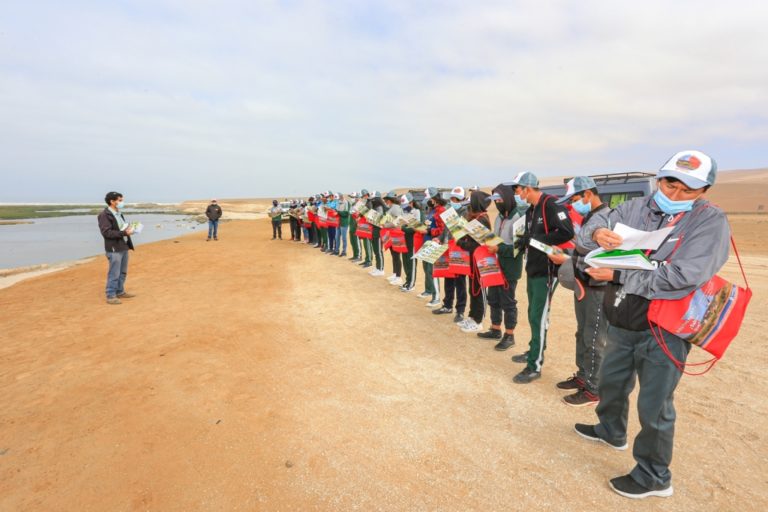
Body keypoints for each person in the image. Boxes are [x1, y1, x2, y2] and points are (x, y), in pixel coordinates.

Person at [573, 151, 729, 499]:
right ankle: (611, 429)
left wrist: (618, 273)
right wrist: (598, 233)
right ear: (660, 179)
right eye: (669, 183)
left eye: (687, 189)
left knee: (655, 405)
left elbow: (684, 276)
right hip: (624, 316)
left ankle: (654, 476)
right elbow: (585, 237)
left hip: (665, 328)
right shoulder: (633, 208)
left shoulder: (711, 222)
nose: (674, 194)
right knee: (612, 382)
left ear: (704, 190)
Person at [510, 172, 575, 384]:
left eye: (518, 190)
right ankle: (533, 351)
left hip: (548, 270)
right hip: (534, 267)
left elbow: (567, 232)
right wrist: (524, 242)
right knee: (533, 313)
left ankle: (534, 366)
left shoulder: (551, 204)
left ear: (527, 188)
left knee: (538, 315)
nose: (517, 194)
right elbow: (530, 237)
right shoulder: (531, 210)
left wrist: (536, 238)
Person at [549, 176, 609, 407]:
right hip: (582, 282)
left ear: (588, 194)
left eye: (574, 198)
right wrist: (569, 258)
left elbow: (603, 256)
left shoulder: (605, 219)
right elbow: (585, 252)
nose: (572, 204)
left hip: (597, 287)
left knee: (594, 336)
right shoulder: (590, 217)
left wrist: (570, 258)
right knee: (583, 332)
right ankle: (583, 376)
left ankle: (594, 388)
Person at [480, 184, 526, 348]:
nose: (497, 203)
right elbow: (497, 237)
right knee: (494, 298)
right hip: (495, 265)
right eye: (495, 200)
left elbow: (520, 247)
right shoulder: (499, 217)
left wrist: (499, 248)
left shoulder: (519, 217)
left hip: (510, 267)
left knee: (508, 301)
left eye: (499, 199)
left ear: (507, 198)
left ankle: (509, 335)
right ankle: (495, 329)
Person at [457, 190, 492, 333]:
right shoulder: (475, 217)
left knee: (478, 289)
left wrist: (462, 244)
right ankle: (472, 316)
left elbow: (480, 244)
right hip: (472, 259)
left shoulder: (482, 219)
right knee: (473, 289)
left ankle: (478, 321)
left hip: (479, 258)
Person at [432, 186, 468, 324]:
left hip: (459, 250)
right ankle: (447, 305)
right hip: (448, 248)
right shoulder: (449, 212)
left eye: (457, 199)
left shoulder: (466, 213)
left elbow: (464, 232)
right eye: (452, 198)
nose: (454, 201)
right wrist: (440, 239)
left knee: (460, 281)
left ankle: (460, 310)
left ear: (463, 199)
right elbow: (446, 230)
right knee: (448, 278)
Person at [97, 191, 135, 305]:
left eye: (121, 200)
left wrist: (130, 230)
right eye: (120, 200)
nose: (121, 202)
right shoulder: (104, 215)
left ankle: (120, 291)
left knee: (122, 272)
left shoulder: (119, 213)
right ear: (112, 201)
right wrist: (124, 233)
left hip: (123, 246)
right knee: (114, 272)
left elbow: (121, 229)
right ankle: (111, 295)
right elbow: (106, 233)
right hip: (114, 249)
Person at [419, 188, 442, 307]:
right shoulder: (432, 211)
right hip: (426, 242)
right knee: (426, 268)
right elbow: (428, 223)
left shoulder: (441, 211)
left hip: (434, 242)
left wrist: (429, 230)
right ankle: (429, 290)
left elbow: (442, 230)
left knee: (432, 270)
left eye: (430, 199)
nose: (428, 201)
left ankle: (436, 297)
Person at [399, 193, 423, 292]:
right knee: (405, 261)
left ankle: (411, 284)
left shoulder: (417, 212)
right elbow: (401, 224)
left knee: (411, 261)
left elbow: (415, 227)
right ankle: (407, 280)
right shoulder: (403, 212)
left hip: (413, 239)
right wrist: (405, 227)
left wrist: (405, 228)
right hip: (404, 239)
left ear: (411, 202)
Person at [383, 190, 404, 286]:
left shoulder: (395, 208)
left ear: (390, 200)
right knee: (394, 255)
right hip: (392, 234)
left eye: (387, 199)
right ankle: (395, 274)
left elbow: (398, 222)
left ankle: (399, 277)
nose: (386, 201)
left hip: (396, 234)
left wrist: (385, 225)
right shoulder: (392, 207)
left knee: (396, 256)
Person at [368, 191, 386, 276]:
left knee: (379, 251)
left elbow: (379, 222)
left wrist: (371, 218)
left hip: (379, 232)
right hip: (374, 231)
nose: (372, 201)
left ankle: (381, 269)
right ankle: (377, 267)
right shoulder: (374, 208)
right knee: (375, 250)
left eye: (373, 199)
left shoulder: (380, 208)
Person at [348, 192, 362, 262]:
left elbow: (360, 216)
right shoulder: (352, 204)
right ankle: (355, 255)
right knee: (352, 241)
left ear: (358, 198)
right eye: (351, 197)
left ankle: (359, 256)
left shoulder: (361, 205)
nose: (351, 199)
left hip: (356, 225)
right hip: (351, 225)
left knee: (357, 241)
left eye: (353, 197)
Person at [335, 192, 350, 257]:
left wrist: (338, 212)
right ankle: (336, 250)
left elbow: (346, 213)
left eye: (339, 198)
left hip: (344, 223)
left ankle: (344, 252)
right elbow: (336, 210)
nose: (338, 200)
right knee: (337, 237)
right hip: (338, 222)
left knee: (344, 238)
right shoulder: (338, 202)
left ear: (341, 197)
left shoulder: (346, 203)